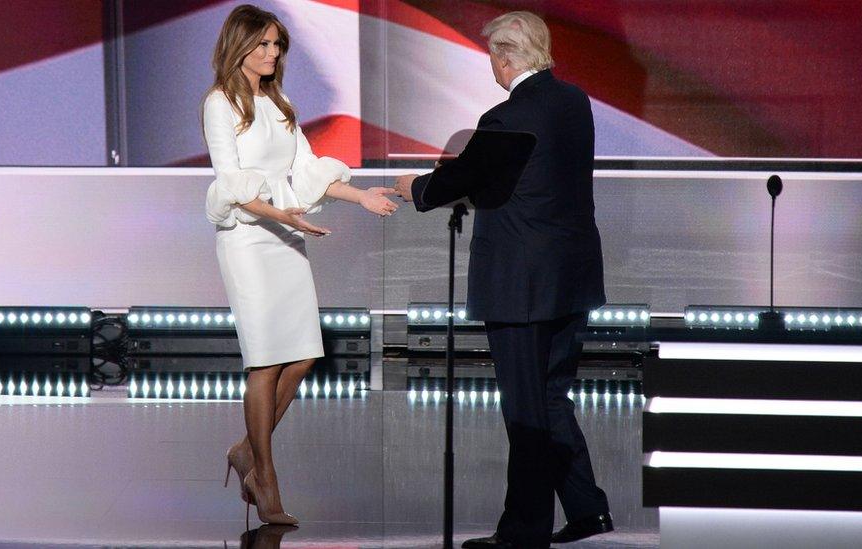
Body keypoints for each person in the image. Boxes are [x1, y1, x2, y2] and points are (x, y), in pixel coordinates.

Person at [394, 11, 612, 549]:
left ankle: (523, 530)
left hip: (522, 285)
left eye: (492, 53)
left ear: (507, 58)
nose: (491, 62)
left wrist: (415, 188)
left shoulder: (508, 117)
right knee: (552, 398)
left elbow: (463, 178)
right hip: (571, 277)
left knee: (525, 409)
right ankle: (588, 511)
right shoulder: (574, 102)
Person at [203, 4, 397, 526]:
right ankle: (264, 476)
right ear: (238, 45)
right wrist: (286, 216)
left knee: (306, 354)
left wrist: (359, 197)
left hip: (287, 235)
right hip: (248, 240)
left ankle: (247, 449)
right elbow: (233, 182)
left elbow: (306, 170)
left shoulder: (279, 100)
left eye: (277, 45)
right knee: (264, 361)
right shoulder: (221, 103)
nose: (271, 53)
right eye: (263, 44)